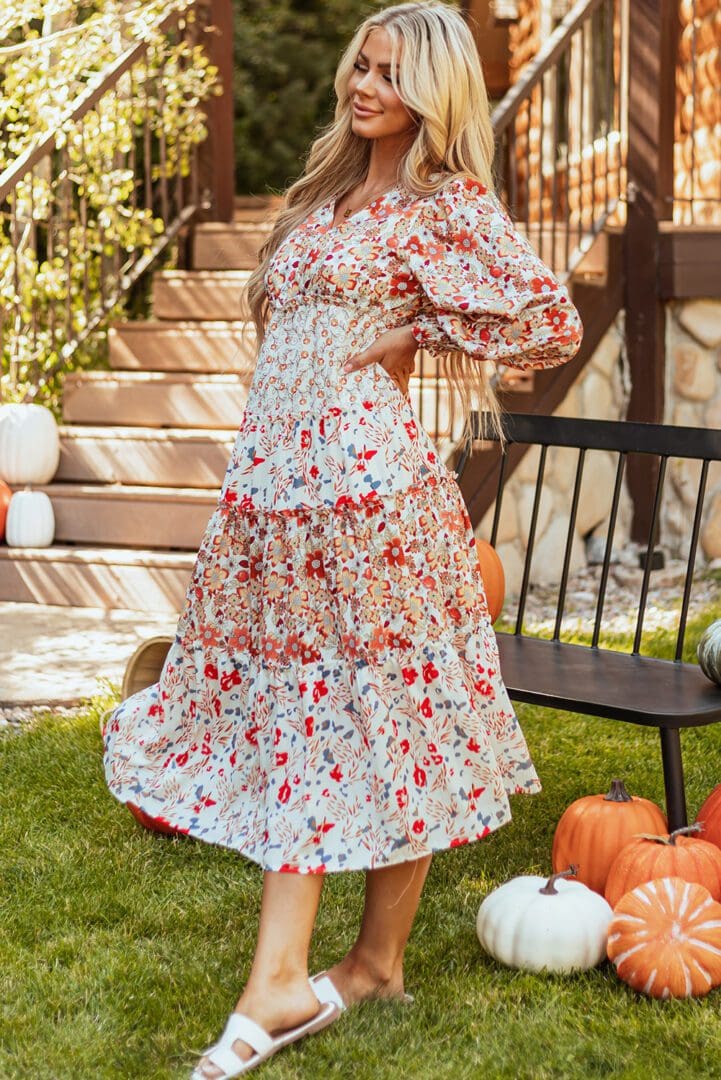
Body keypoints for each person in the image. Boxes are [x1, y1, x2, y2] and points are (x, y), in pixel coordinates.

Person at [102, 2, 583, 1076]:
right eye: (361, 65)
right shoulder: (324, 193)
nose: (363, 85)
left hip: (367, 498)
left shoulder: (441, 202)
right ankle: (369, 967)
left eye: (390, 75)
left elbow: (548, 321)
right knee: (332, 705)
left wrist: (420, 330)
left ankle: (294, 978)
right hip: (278, 494)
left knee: (380, 707)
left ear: (435, 94)